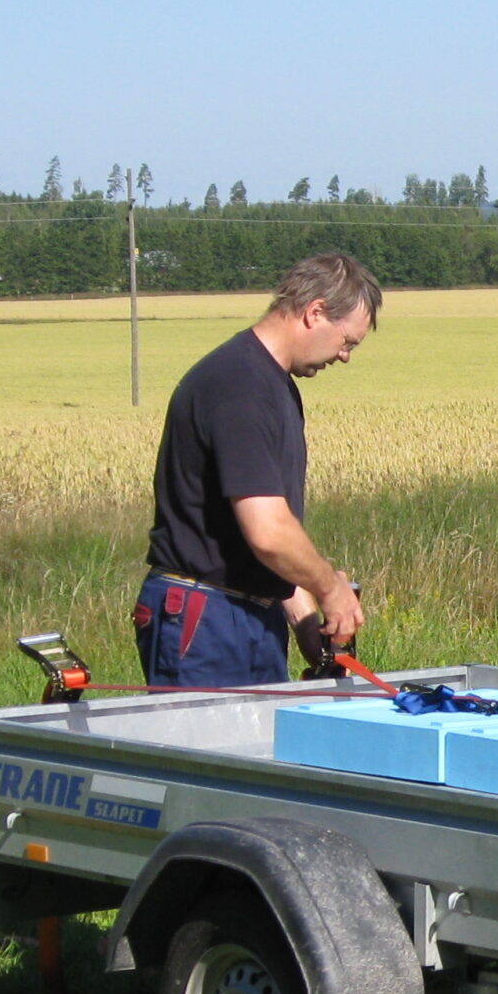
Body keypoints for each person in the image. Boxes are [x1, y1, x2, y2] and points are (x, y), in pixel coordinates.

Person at [135, 253, 380, 687]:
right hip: (205, 616)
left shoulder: (273, 386)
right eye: (347, 342)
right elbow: (268, 533)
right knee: (210, 753)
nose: (344, 357)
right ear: (315, 312)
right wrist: (330, 589)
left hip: (250, 612)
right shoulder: (239, 386)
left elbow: (273, 534)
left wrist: (305, 622)